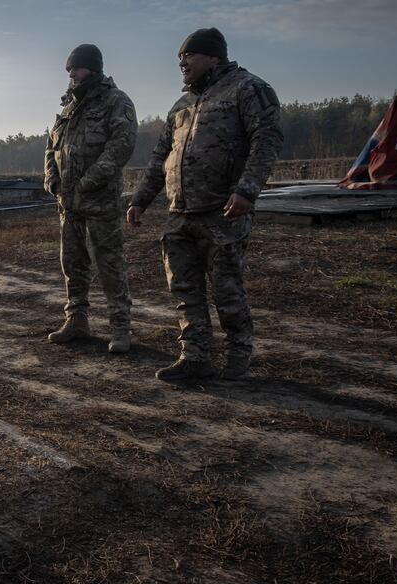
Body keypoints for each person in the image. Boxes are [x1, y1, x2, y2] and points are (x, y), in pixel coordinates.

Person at [127, 28, 282, 381]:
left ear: (213, 56)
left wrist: (247, 190)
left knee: (226, 288)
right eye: (179, 57)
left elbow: (267, 139)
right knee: (184, 288)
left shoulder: (248, 88)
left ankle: (238, 352)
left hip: (222, 211)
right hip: (180, 213)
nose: (181, 62)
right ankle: (194, 355)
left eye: (189, 55)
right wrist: (140, 200)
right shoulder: (181, 106)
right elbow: (159, 157)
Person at [44, 44, 138, 353]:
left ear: (93, 69)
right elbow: (52, 144)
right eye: (69, 68)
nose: (71, 72)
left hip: (99, 201)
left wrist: (88, 182)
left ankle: (120, 328)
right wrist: (52, 179)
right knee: (72, 263)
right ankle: (77, 321)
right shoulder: (69, 106)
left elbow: (120, 147)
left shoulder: (116, 102)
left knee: (109, 263)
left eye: (77, 67)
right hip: (68, 204)